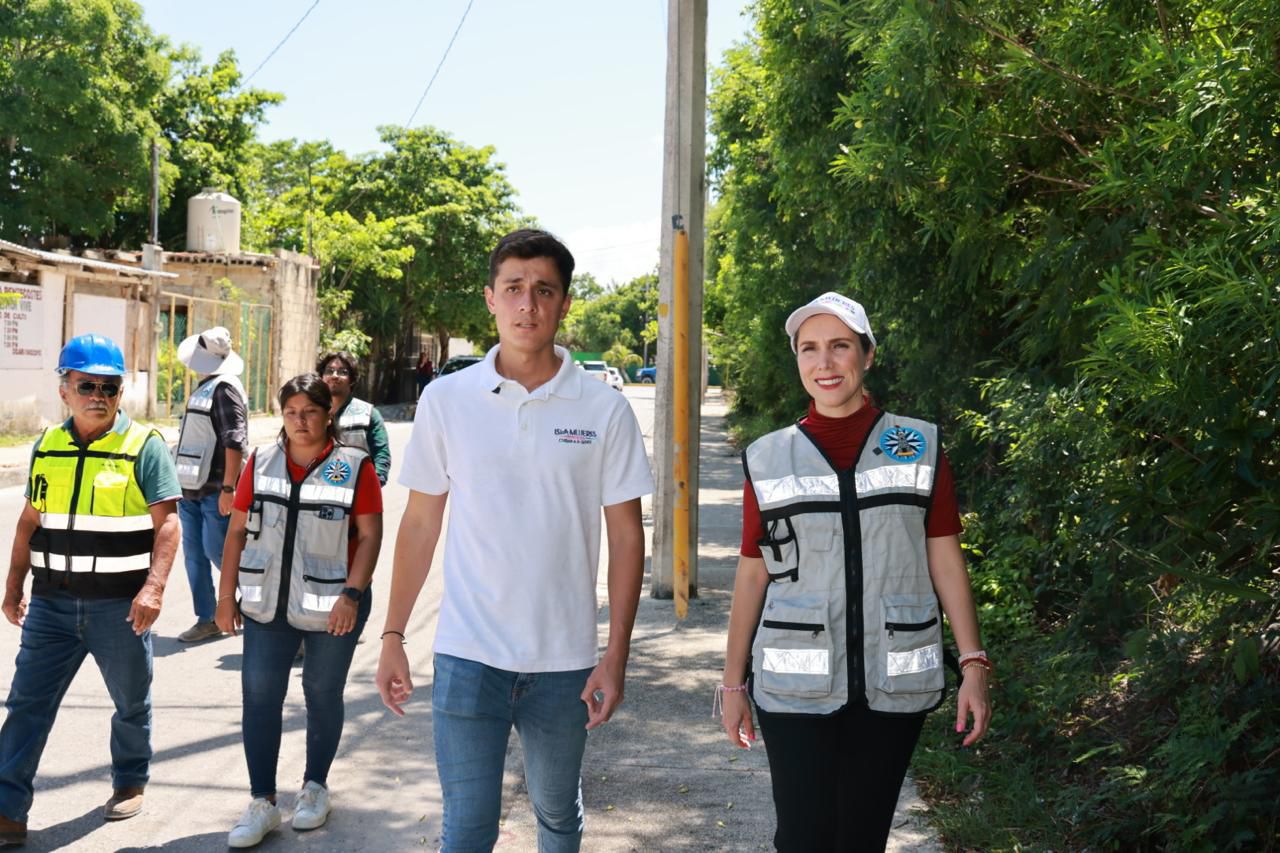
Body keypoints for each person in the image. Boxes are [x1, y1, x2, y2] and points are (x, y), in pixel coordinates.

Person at [375, 229, 653, 852]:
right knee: (466, 829)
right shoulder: (447, 400)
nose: (528, 304)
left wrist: (616, 653)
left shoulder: (605, 410)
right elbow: (421, 523)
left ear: (564, 304)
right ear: (491, 299)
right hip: (468, 657)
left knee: (557, 817)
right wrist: (393, 636)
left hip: (565, 663)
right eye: (514, 289)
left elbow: (627, 536)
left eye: (544, 290)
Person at [717, 292, 992, 852]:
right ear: (796, 360)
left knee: (861, 838)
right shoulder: (769, 457)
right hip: (794, 684)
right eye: (810, 349)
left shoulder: (918, 446)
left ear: (867, 355)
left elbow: (944, 556)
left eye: (840, 346)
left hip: (894, 679)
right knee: (802, 836)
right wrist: (731, 682)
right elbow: (753, 573)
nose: (825, 363)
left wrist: (973, 661)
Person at [0, 334, 181, 845]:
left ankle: (129, 779)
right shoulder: (48, 445)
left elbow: (168, 525)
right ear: (65, 390)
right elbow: (28, 521)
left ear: (121, 392)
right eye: (87, 385)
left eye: (110, 386)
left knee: (130, 700)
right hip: (52, 605)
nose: (98, 394)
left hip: (120, 608)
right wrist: (13, 585)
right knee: (26, 704)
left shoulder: (143, 446)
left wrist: (154, 589)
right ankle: (7, 810)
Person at [214, 373, 382, 848]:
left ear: (329, 413)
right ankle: (262, 801)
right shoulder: (260, 462)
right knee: (260, 695)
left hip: (336, 608)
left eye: (310, 411)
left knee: (322, 692)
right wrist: (226, 598)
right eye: (291, 413)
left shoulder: (353, 466)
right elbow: (236, 532)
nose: (300, 422)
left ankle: (314, 788)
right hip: (267, 606)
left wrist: (352, 594)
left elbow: (369, 536)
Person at [173, 326, 248, 643]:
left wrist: (229, 489)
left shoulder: (224, 389)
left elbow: (235, 442)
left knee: (219, 552)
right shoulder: (207, 387)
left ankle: (265, 602)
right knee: (195, 557)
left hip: (216, 491)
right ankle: (207, 618)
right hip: (191, 490)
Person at [315, 351, 391, 486]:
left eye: (342, 372)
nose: (334, 376)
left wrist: (372, 487)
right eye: (329, 371)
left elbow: (381, 456)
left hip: (356, 492)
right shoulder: (311, 412)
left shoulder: (368, 414)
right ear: (322, 376)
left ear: (352, 379)